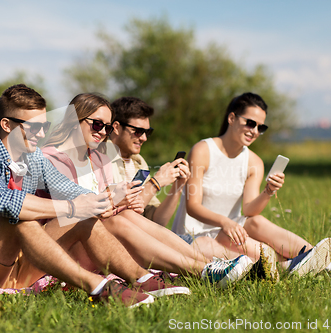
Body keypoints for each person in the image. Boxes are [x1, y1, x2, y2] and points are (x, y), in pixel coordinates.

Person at [0, 84, 191, 308]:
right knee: (18, 218)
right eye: (33, 127)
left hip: (12, 269)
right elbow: (4, 202)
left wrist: (103, 201)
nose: (40, 134)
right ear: (7, 124)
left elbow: (73, 191)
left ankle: (141, 279)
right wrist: (72, 205)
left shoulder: (33, 157)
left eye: (44, 126)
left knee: (80, 216)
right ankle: (99, 287)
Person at [40, 93, 255, 288]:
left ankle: (208, 268)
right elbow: (77, 210)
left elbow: (146, 217)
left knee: (123, 217)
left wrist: (172, 188)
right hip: (57, 245)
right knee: (120, 219)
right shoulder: (52, 158)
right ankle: (205, 270)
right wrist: (147, 187)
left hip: (98, 238)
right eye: (97, 125)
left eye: (105, 127)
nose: (102, 132)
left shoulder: (99, 158)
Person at [172, 92, 331, 276]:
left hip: (231, 232)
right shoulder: (203, 150)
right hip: (195, 236)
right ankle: (306, 263)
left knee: (257, 221)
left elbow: (249, 211)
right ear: (232, 118)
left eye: (261, 127)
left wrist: (268, 191)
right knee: (248, 243)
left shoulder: (254, 162)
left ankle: (316, 258)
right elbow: (192, 206)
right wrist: (225, 222)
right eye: (251, 123)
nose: (255, 131)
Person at [108, 97, 187, 227]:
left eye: (148, 132)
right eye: (138, 131)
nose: (144, 138)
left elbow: (158, 221)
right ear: (116, 127)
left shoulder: (138, 162)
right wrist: (155, 183)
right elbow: (120, 218)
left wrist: (178, 186)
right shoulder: (101, 159)